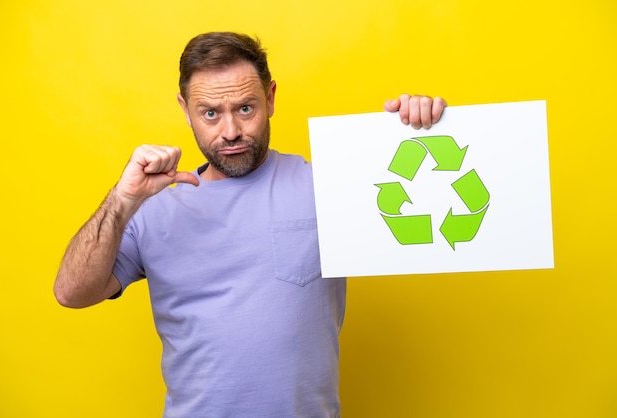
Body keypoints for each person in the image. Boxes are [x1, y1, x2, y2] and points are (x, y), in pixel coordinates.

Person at [54, 31, 446, 417]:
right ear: (184, 108)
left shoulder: (325, 185)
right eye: (210, 113)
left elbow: (433, 199)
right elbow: (72, 292)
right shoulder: (153, 210)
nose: (231, 132)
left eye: (246, 108)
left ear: (271, 98)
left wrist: (420, 129)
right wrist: (121, 201)